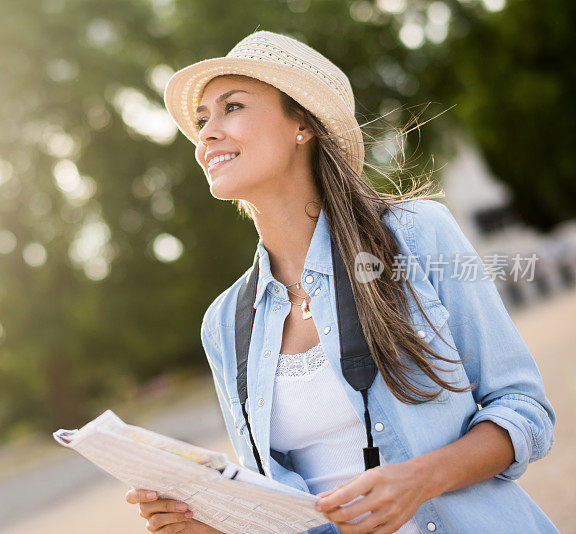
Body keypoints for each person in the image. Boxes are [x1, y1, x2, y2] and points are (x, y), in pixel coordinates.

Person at [124, 30, 557, 534]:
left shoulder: (415, 235)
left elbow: (524, 411)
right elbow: (282, 512)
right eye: (202, 120)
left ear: (302, 124)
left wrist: (419, 480)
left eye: (232, 107)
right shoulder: (223, 323)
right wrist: (213, 526)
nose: (207, 133)